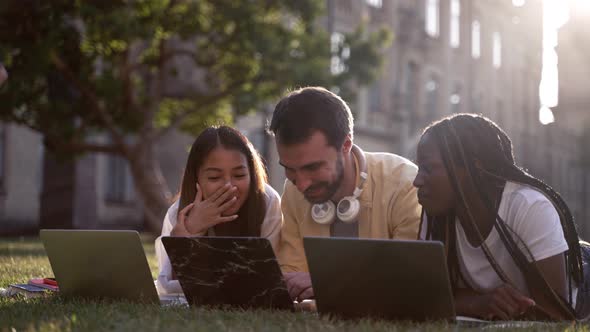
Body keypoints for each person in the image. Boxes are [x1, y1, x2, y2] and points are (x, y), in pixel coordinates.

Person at [414, 113, 584, 321]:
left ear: (473, 167)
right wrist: (477, 303)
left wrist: (484, 305)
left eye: (428, 168)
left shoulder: (529, 207)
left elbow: (556, 316)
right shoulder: (437, 215)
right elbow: (426, 296)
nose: (417, 180)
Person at [267, 86, 421, 301]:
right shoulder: (292, 190)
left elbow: (411, 278)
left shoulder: (405, 184)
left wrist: (326, 284)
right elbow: (291, 275)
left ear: (346, 145)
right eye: (290, 169)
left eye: (313, 167)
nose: (301, 184)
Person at [155, 126, 283, 295]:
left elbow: (270, 278)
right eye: (214, 177)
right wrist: (186, 239)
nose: (229, 186)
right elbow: (170, 289)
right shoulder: (178, 213)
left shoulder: (267, 202)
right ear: (196, 179)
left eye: (239, 175)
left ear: (252, 174)